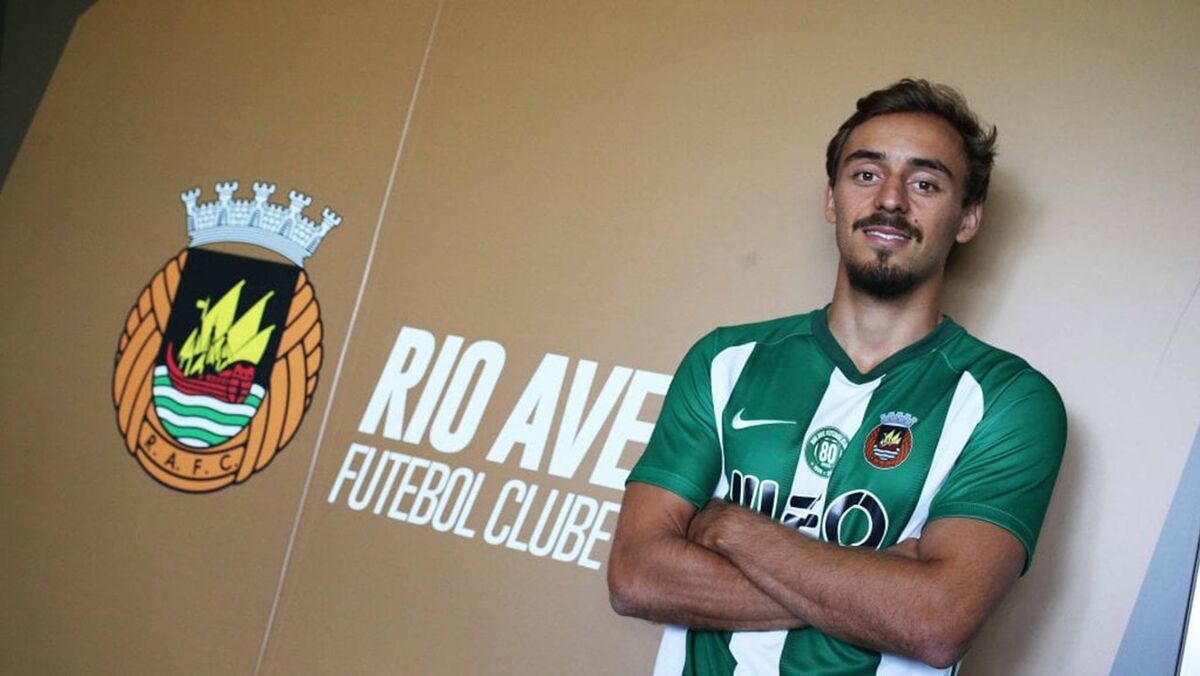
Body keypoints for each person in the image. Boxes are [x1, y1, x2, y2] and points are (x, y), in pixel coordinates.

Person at [606, 79, 1067, 676]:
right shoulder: (725, 360)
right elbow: (636, 576)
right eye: (866, 174)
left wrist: (733, 529)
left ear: (968, 218)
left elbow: (936, 622)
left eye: (925, 184)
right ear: (832, 199)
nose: (891, 200)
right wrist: (883, 585)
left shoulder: (1009, 401)